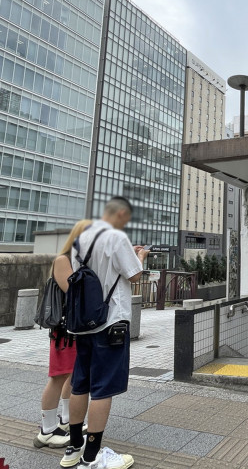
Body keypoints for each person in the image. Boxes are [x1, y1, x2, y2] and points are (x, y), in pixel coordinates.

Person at [61, 197, 149, 469]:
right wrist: (141, 257)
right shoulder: (116, 237)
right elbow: (134, 276)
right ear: (121, 213)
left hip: (84, 321)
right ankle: (92, 457)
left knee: (81, 384)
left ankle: (73, 449)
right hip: (110, 322)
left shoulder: (81, 239)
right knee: (102, 389)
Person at [34, 219, 92, 449]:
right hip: (64, 330)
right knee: (58, 376)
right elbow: (75, 291)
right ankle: (46, 430)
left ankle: (67, 420)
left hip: (78, 329)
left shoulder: (81, 261)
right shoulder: (63, 260)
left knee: (73, 375)